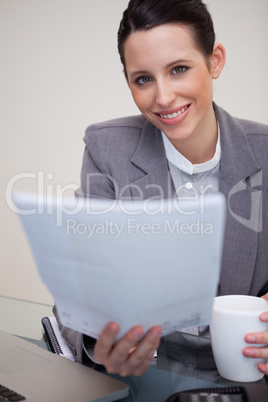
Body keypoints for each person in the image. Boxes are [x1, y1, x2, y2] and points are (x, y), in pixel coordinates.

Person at [54, 0, 268, 378]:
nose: (164, 97)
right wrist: (101, 339)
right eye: (143, 79)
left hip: (247, 374)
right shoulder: (108, 148)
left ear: (215, 60)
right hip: (148, 377)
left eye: (179, 69)